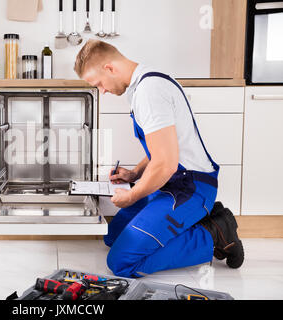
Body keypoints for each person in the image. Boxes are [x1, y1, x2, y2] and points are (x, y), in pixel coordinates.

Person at [74, 40, 244, 278]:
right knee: (112, 236)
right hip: (169, 183)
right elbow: (162, 147)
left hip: (190, 189)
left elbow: (165, 163)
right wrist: (135, 174)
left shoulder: (149, 92)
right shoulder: (140, 86)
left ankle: (214, 232)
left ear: (110, 68)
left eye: (99, 84)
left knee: (122, 262)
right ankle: (188, 222)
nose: (102, 91)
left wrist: (132, 194)